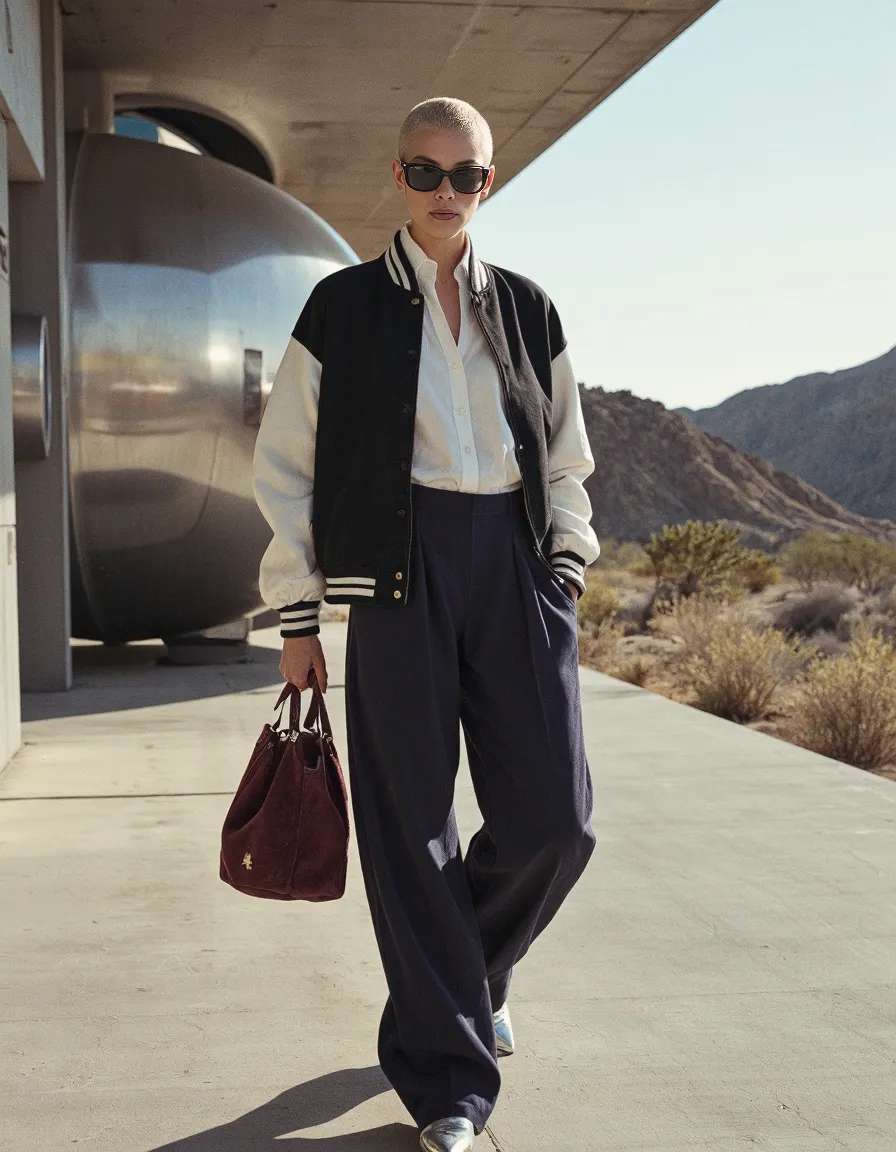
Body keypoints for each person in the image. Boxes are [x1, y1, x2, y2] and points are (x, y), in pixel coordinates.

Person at [251, 96, 600, 1152]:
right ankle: (448, 1082)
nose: (447, 193)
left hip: (514, 564)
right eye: (426, 172)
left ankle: (470, 978)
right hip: (395, 577)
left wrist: (563, 570)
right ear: (397, 176)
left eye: (468, 175)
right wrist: (298, 617)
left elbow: (566, 456)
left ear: (488, 182)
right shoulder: (341, 307)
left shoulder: (529, 308)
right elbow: (285, 466)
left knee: (556, 821)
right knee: (411, 829)